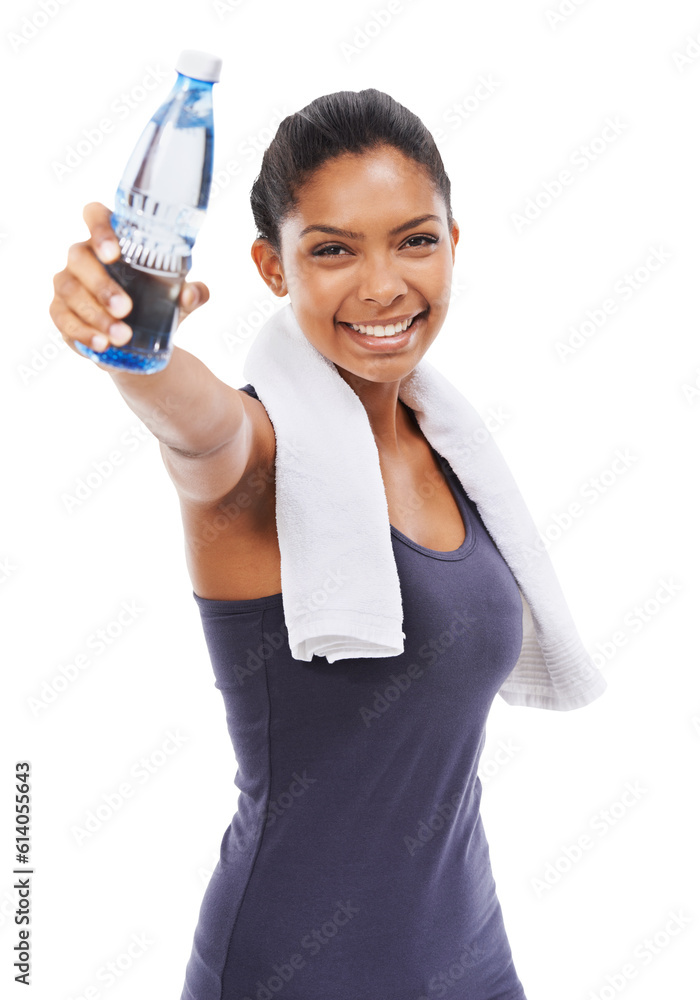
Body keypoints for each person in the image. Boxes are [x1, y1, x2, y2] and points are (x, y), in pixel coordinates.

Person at [50, 88, 562, 999]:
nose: (383, 286)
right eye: (332, 250)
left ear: (454, 242)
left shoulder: (449, 447)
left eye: (416, 239)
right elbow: (199, 429)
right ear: (273, 267)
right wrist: (133, 339)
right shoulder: (259, 457)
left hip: (473, 956)